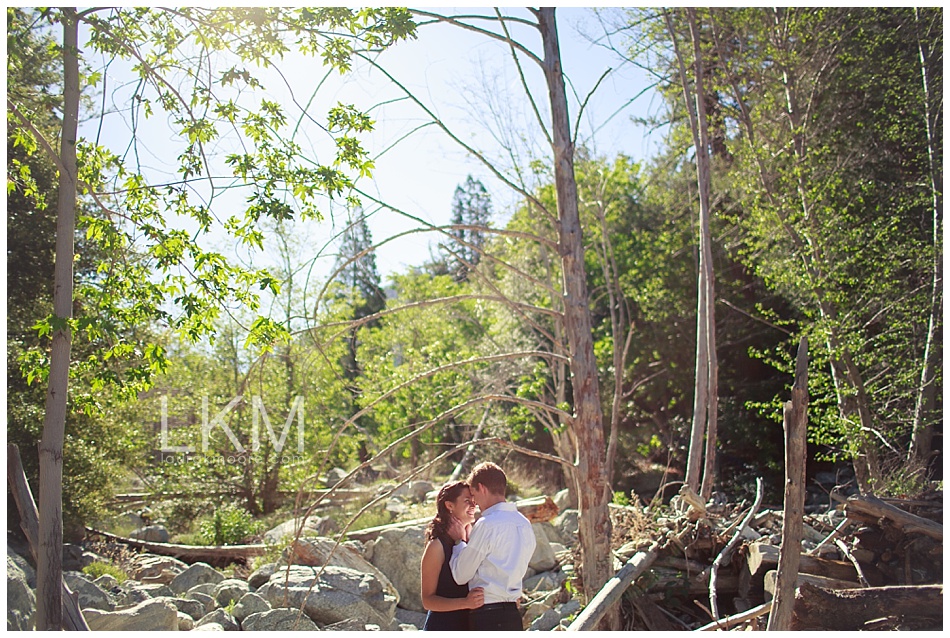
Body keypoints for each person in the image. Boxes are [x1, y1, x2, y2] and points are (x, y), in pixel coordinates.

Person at [448, 462, 536, 631]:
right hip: (513, 615)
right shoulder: (525, 524)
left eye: (474, 495)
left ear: (481, 488)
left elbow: (461, 575)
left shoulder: (487, 524)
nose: (475, 504)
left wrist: (459, 541)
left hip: (487, 615)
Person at [420, 481, 485, 630]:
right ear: (450, 505)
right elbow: (428, 600)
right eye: (467, 501)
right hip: (443, 626)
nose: (473, 505)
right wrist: (465, 603)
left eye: (474, 501)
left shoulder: (473, 540)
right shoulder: (436, 546)